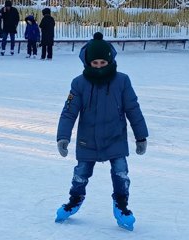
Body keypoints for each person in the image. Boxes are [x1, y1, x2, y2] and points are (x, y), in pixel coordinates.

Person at [55, 32, 148, 231]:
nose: (98, 67)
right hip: (87, 139)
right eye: (94, 63)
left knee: (121, 173)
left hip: (115, 138)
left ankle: (121, 205)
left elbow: (133, 108)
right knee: (81, 173)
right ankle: (75, 199)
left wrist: (141, 136)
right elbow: (69, 111)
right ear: (88, 62)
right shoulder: (79, 83)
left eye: (102, 63)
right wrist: (63, 137)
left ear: (110, 61)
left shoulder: (122, 81)